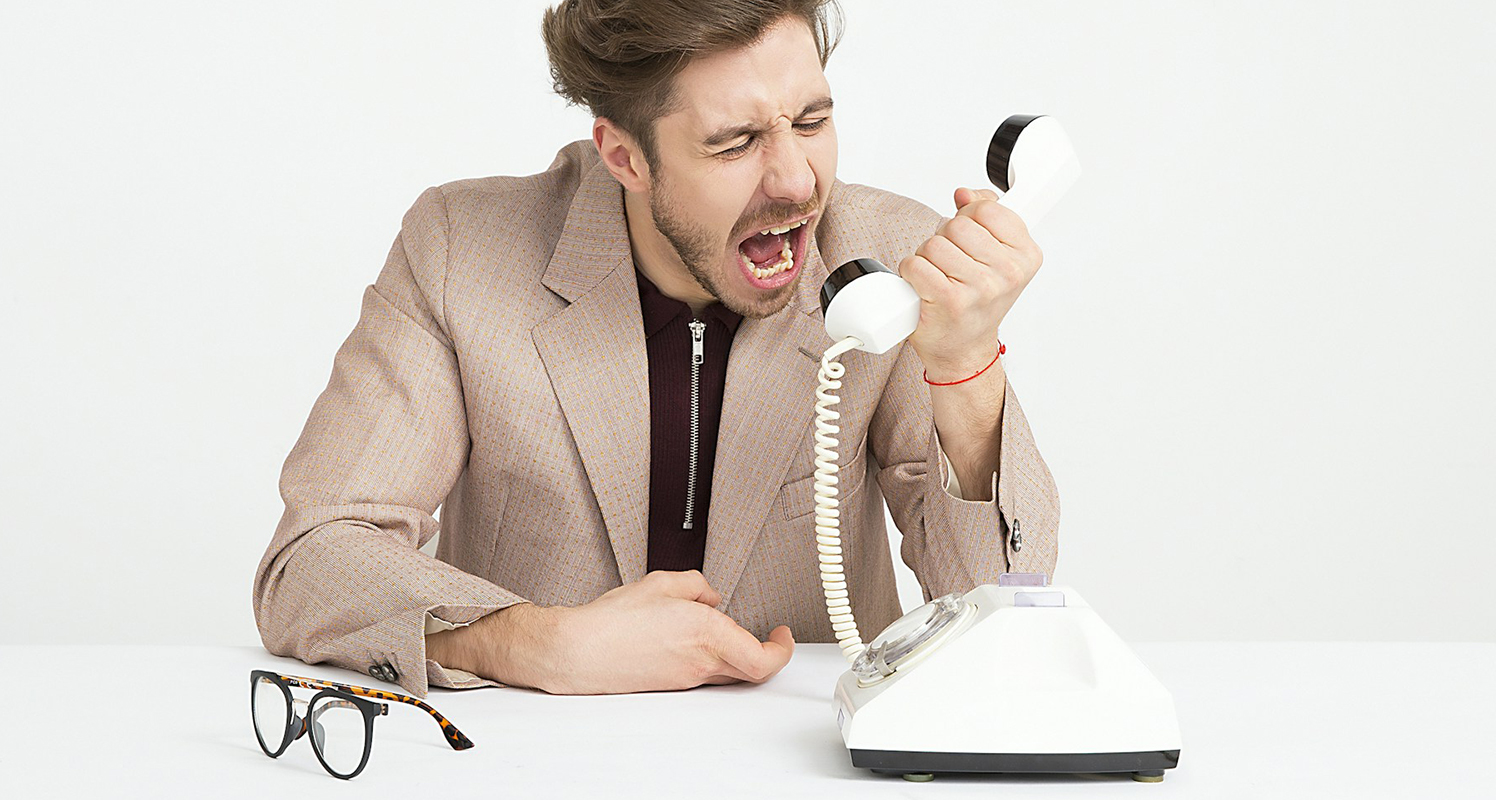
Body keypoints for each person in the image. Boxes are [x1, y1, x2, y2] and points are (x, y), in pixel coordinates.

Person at [252, 0, 1059, 697]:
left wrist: (965, 367)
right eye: (735, 141)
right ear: (624, 157)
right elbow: (312, 562)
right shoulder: (461, 248)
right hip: (532, 762)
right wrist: (537, 642)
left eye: (812, 121)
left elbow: (1006, 607)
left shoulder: (886, 258)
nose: (797, 181)